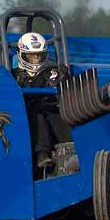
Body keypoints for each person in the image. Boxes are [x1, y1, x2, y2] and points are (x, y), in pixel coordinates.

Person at [14, 32, 68, 170]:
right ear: (22, 54)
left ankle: (69, 149)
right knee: (36, 113)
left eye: (39, 55)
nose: (36, 59)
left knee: (56, 113)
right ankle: (41, 153)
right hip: (26, 117)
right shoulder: (14, 75)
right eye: (32, 56)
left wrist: (61, 77)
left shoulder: (51, 72)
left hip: (50, 111)